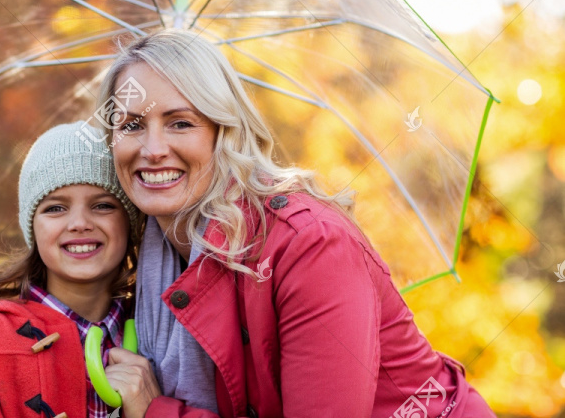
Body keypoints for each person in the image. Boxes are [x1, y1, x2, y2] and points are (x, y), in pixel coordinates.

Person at [94, 29, 496, 417]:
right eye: (131, 126)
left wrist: (156, 411)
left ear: (224, 132)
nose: (153, 149)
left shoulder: (310, 245)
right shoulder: (145, 258)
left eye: (180, 122)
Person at [0, 121, 144, 418]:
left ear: (130, 222)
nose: (79, 223)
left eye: (103, 205)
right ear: (32, 227)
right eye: (55, 208)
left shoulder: (158, 329)